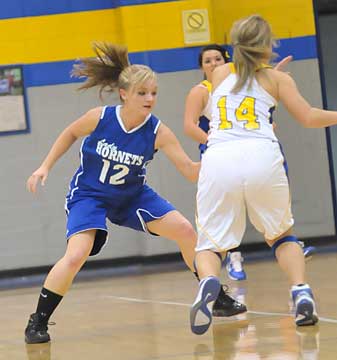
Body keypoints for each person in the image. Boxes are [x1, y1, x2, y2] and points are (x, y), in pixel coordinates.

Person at [24, 42, 246, 344]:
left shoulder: (158, 131)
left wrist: (219, 155)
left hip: (133, 196)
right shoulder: (100, 117)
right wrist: (44, 166)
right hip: (90, 195)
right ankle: (38, 321)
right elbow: (70, 133)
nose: (149, 99)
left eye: (153, 93)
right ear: (124, 93)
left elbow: (189, 170)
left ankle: (216, 296)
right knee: (76, 255)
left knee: (184, 230)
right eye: (142, 93)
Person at [189, 14, 330, 335]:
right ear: (268, 45)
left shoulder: (221, 73)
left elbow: (243, 92)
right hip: (261, 156)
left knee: (210, 244)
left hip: (219, 157)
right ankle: (300, 291)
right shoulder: (278, 80)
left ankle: (210, 281)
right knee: (282, 235)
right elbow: (308, 117)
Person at [184, 44, 315, 282]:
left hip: (226, 155)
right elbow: (189, 126)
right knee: (259, 226)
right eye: (208, 61)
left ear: (227, 58)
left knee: (219, 226)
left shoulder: (232, 80)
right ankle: (280, 262)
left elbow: (255, 101)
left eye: (217, 59)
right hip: (228, 149)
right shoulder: (203, 90)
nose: (214, 64)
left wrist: (270, 76)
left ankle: (214, 275)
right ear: (201, 67)